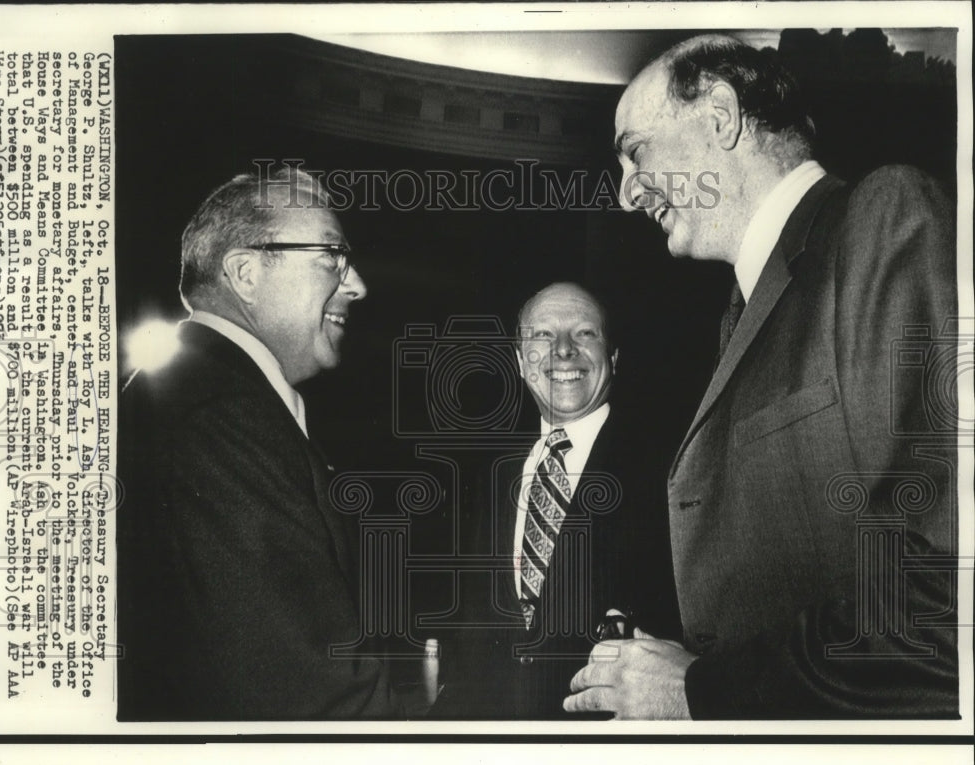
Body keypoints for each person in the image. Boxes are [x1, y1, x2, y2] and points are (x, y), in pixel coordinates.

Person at [565, 35, 958, 718]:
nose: (627, 195)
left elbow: (943, 597)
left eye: (635, 152)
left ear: (719, 114)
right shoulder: (741, 311)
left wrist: (698, 691)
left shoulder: (884, 217)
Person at [117, 167, 400, 719]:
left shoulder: (192, 396)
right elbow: (316, 696)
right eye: (331, 256)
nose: (357, 284)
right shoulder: (223, 419)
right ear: (246, 273)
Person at [439, 282, 680, 718]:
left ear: (614, 357)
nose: (564, 349)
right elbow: (468, 647)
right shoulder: (492, 481)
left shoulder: (670, 468)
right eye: (543, 336)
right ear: (518, 361)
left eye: (585, 333)